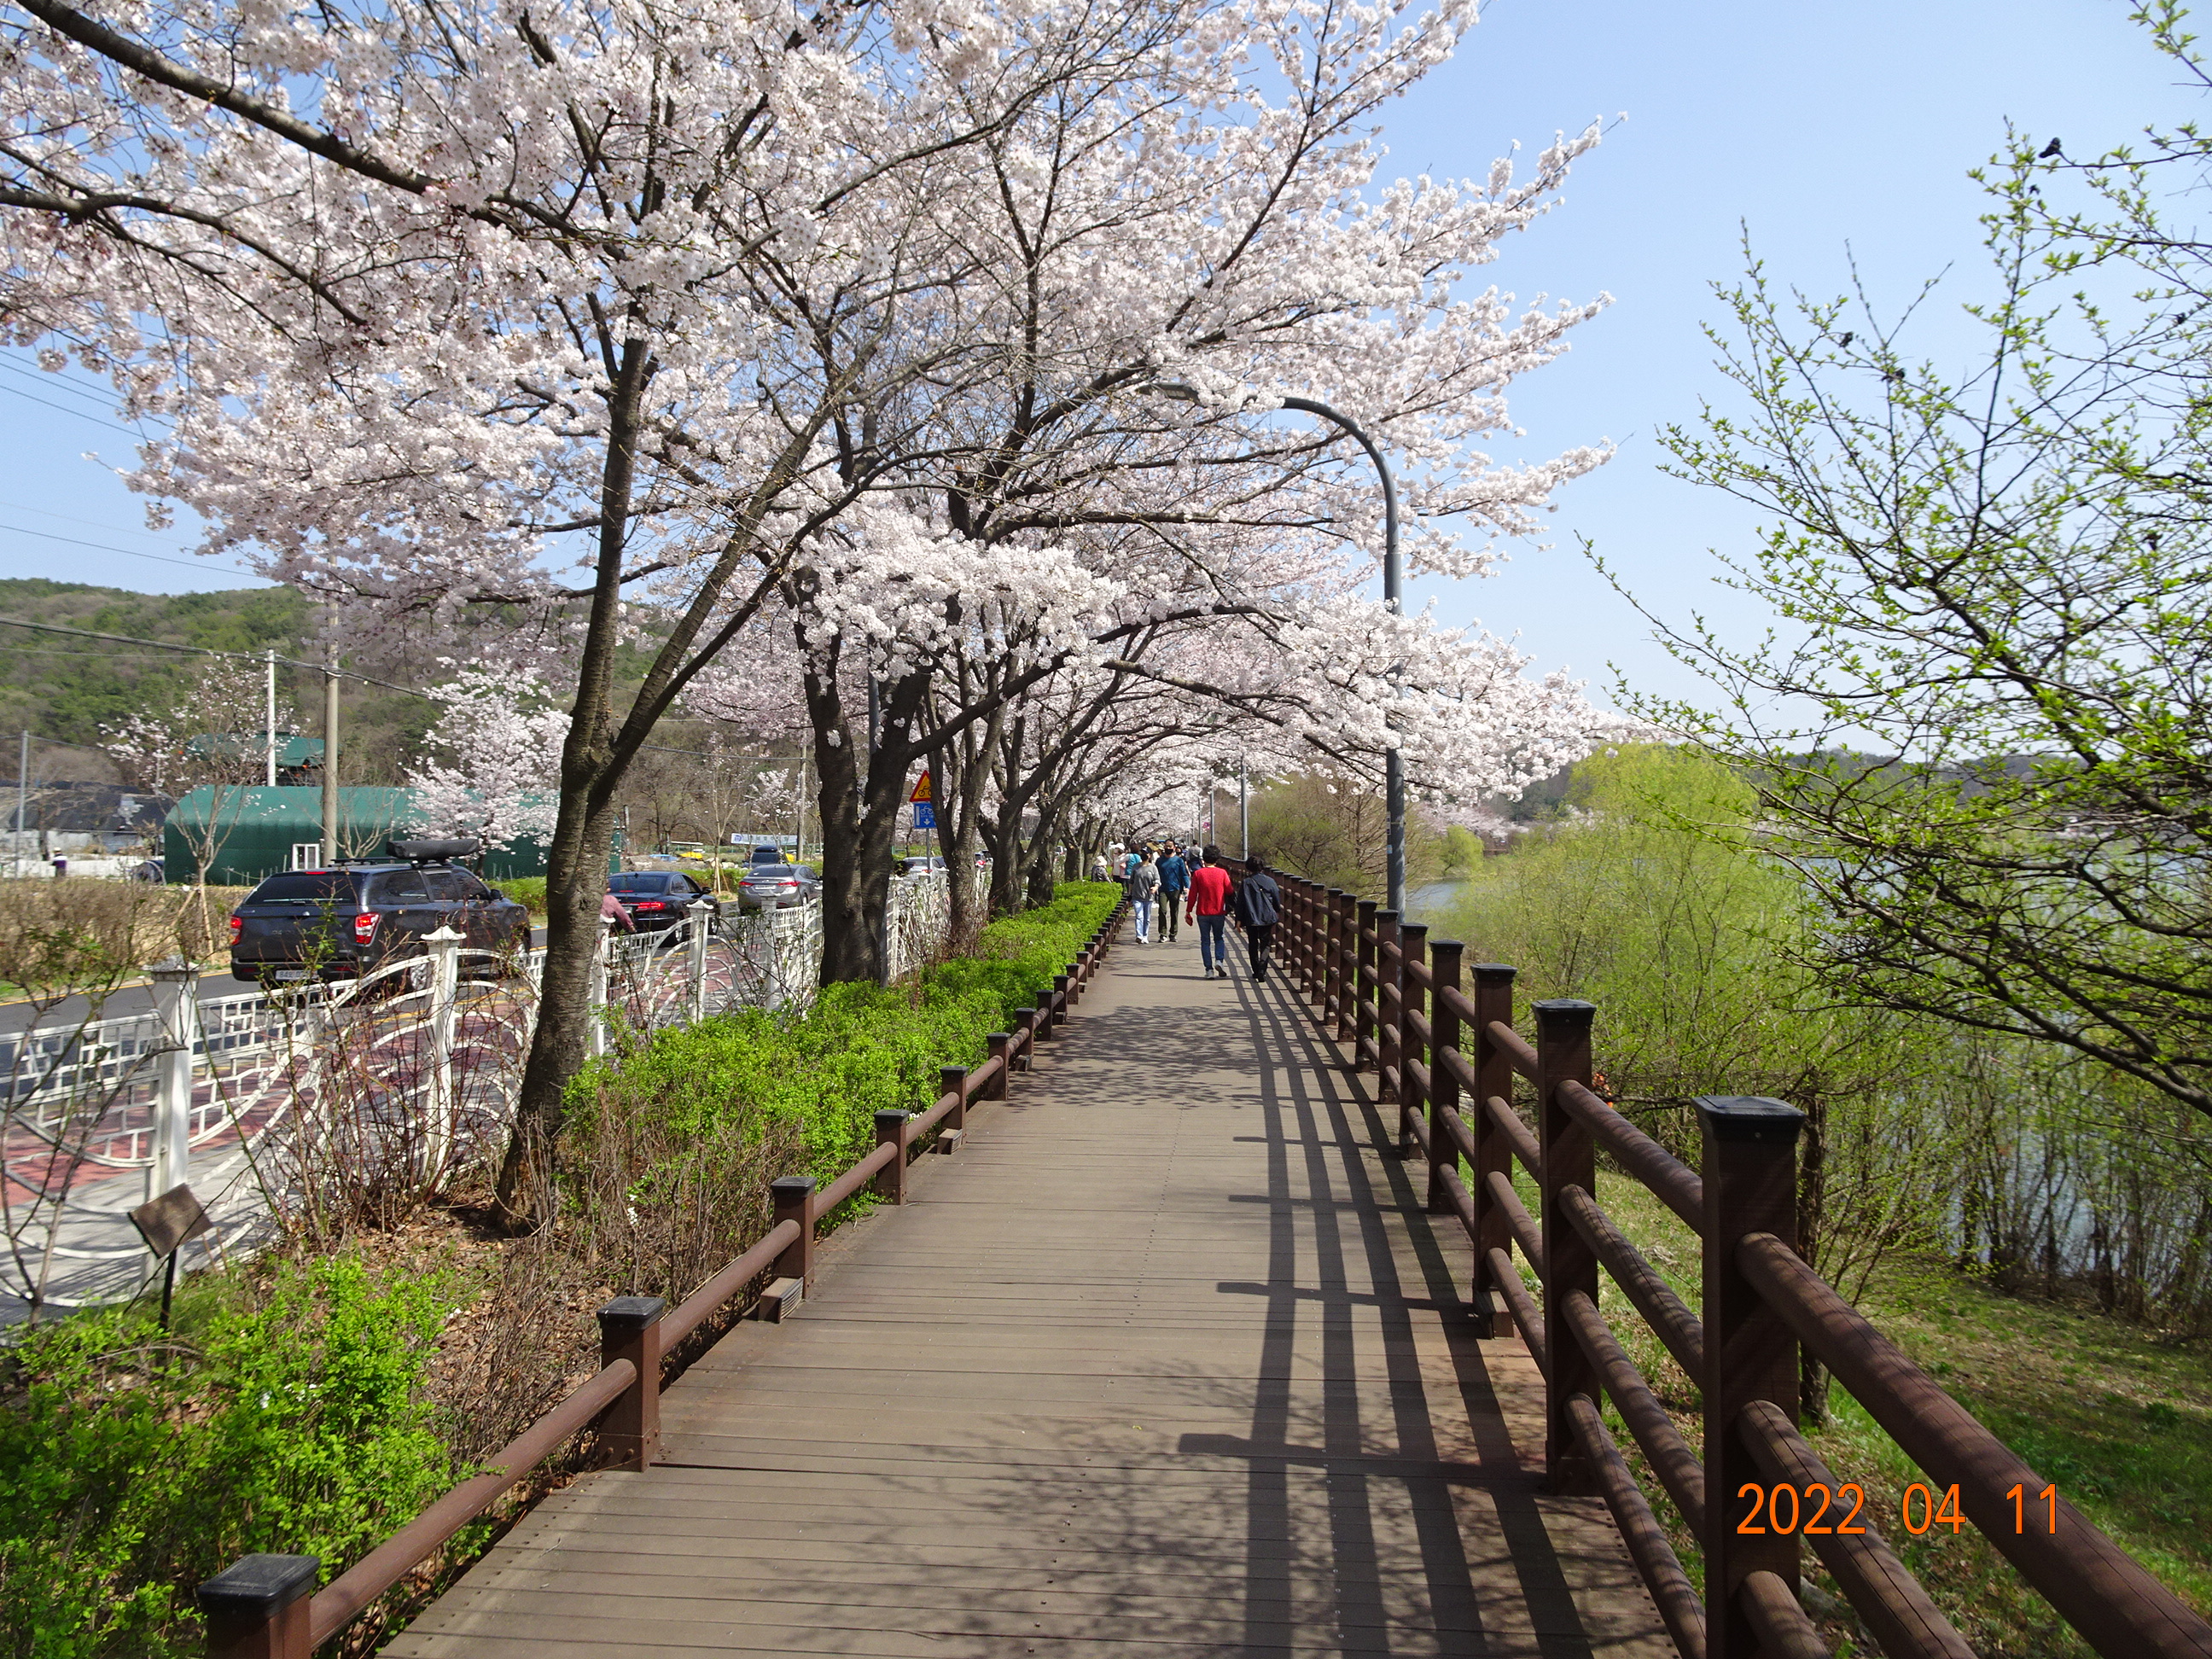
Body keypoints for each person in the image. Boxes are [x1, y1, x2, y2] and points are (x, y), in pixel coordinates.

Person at [1185, 845, 1233, 978]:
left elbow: (1193, 894)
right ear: (1217, 859)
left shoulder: (1198, 874)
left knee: (1205, 941)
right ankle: (1219, 960)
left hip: (1203, 912)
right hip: (1218, 911)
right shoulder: (1222, 873)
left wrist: (1188, 911)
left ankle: (1209, 970)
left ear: (1204, 859)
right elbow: (1230, 890)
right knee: (1219, 938)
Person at [1233, 855, 1282, 982]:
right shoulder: (1270, 881)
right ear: (1262, 867)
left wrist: (1238, 919)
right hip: (1266, 916)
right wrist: (1277, 910)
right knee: (1265, 944)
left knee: (1253, 944)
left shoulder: (1246, 882)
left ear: (1249, 868)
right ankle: (1262, 968)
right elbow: (1276, 898)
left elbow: (1240, 902)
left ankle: (1255, 970)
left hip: (1251, 917)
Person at [1155, 842, 1189, 941]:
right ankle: (1162, 934)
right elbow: (1155, 874)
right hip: (1162, 889)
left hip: (1175, 889)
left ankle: (1173, 933)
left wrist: (1187, 886)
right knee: (1162, 911)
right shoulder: (1159, 861)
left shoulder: (1178, 860)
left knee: (1174, 911)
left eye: (1170, 847)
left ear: (1174, 848)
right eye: (1166, 846)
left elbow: (1184, 874)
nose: (1168, 848)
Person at [1131, 851, 1161, 943]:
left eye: (1146, 854)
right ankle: (1139, 936)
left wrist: (1155, 887)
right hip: (1137, 896)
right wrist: (1130, 893)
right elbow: (1131, 881)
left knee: (1146, 918)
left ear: (1149, 856)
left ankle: (1145, 935)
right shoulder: (1136, 867)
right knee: (1139, 916)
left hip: (1148, 896)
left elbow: (1157, 880)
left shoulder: (1153, 868)